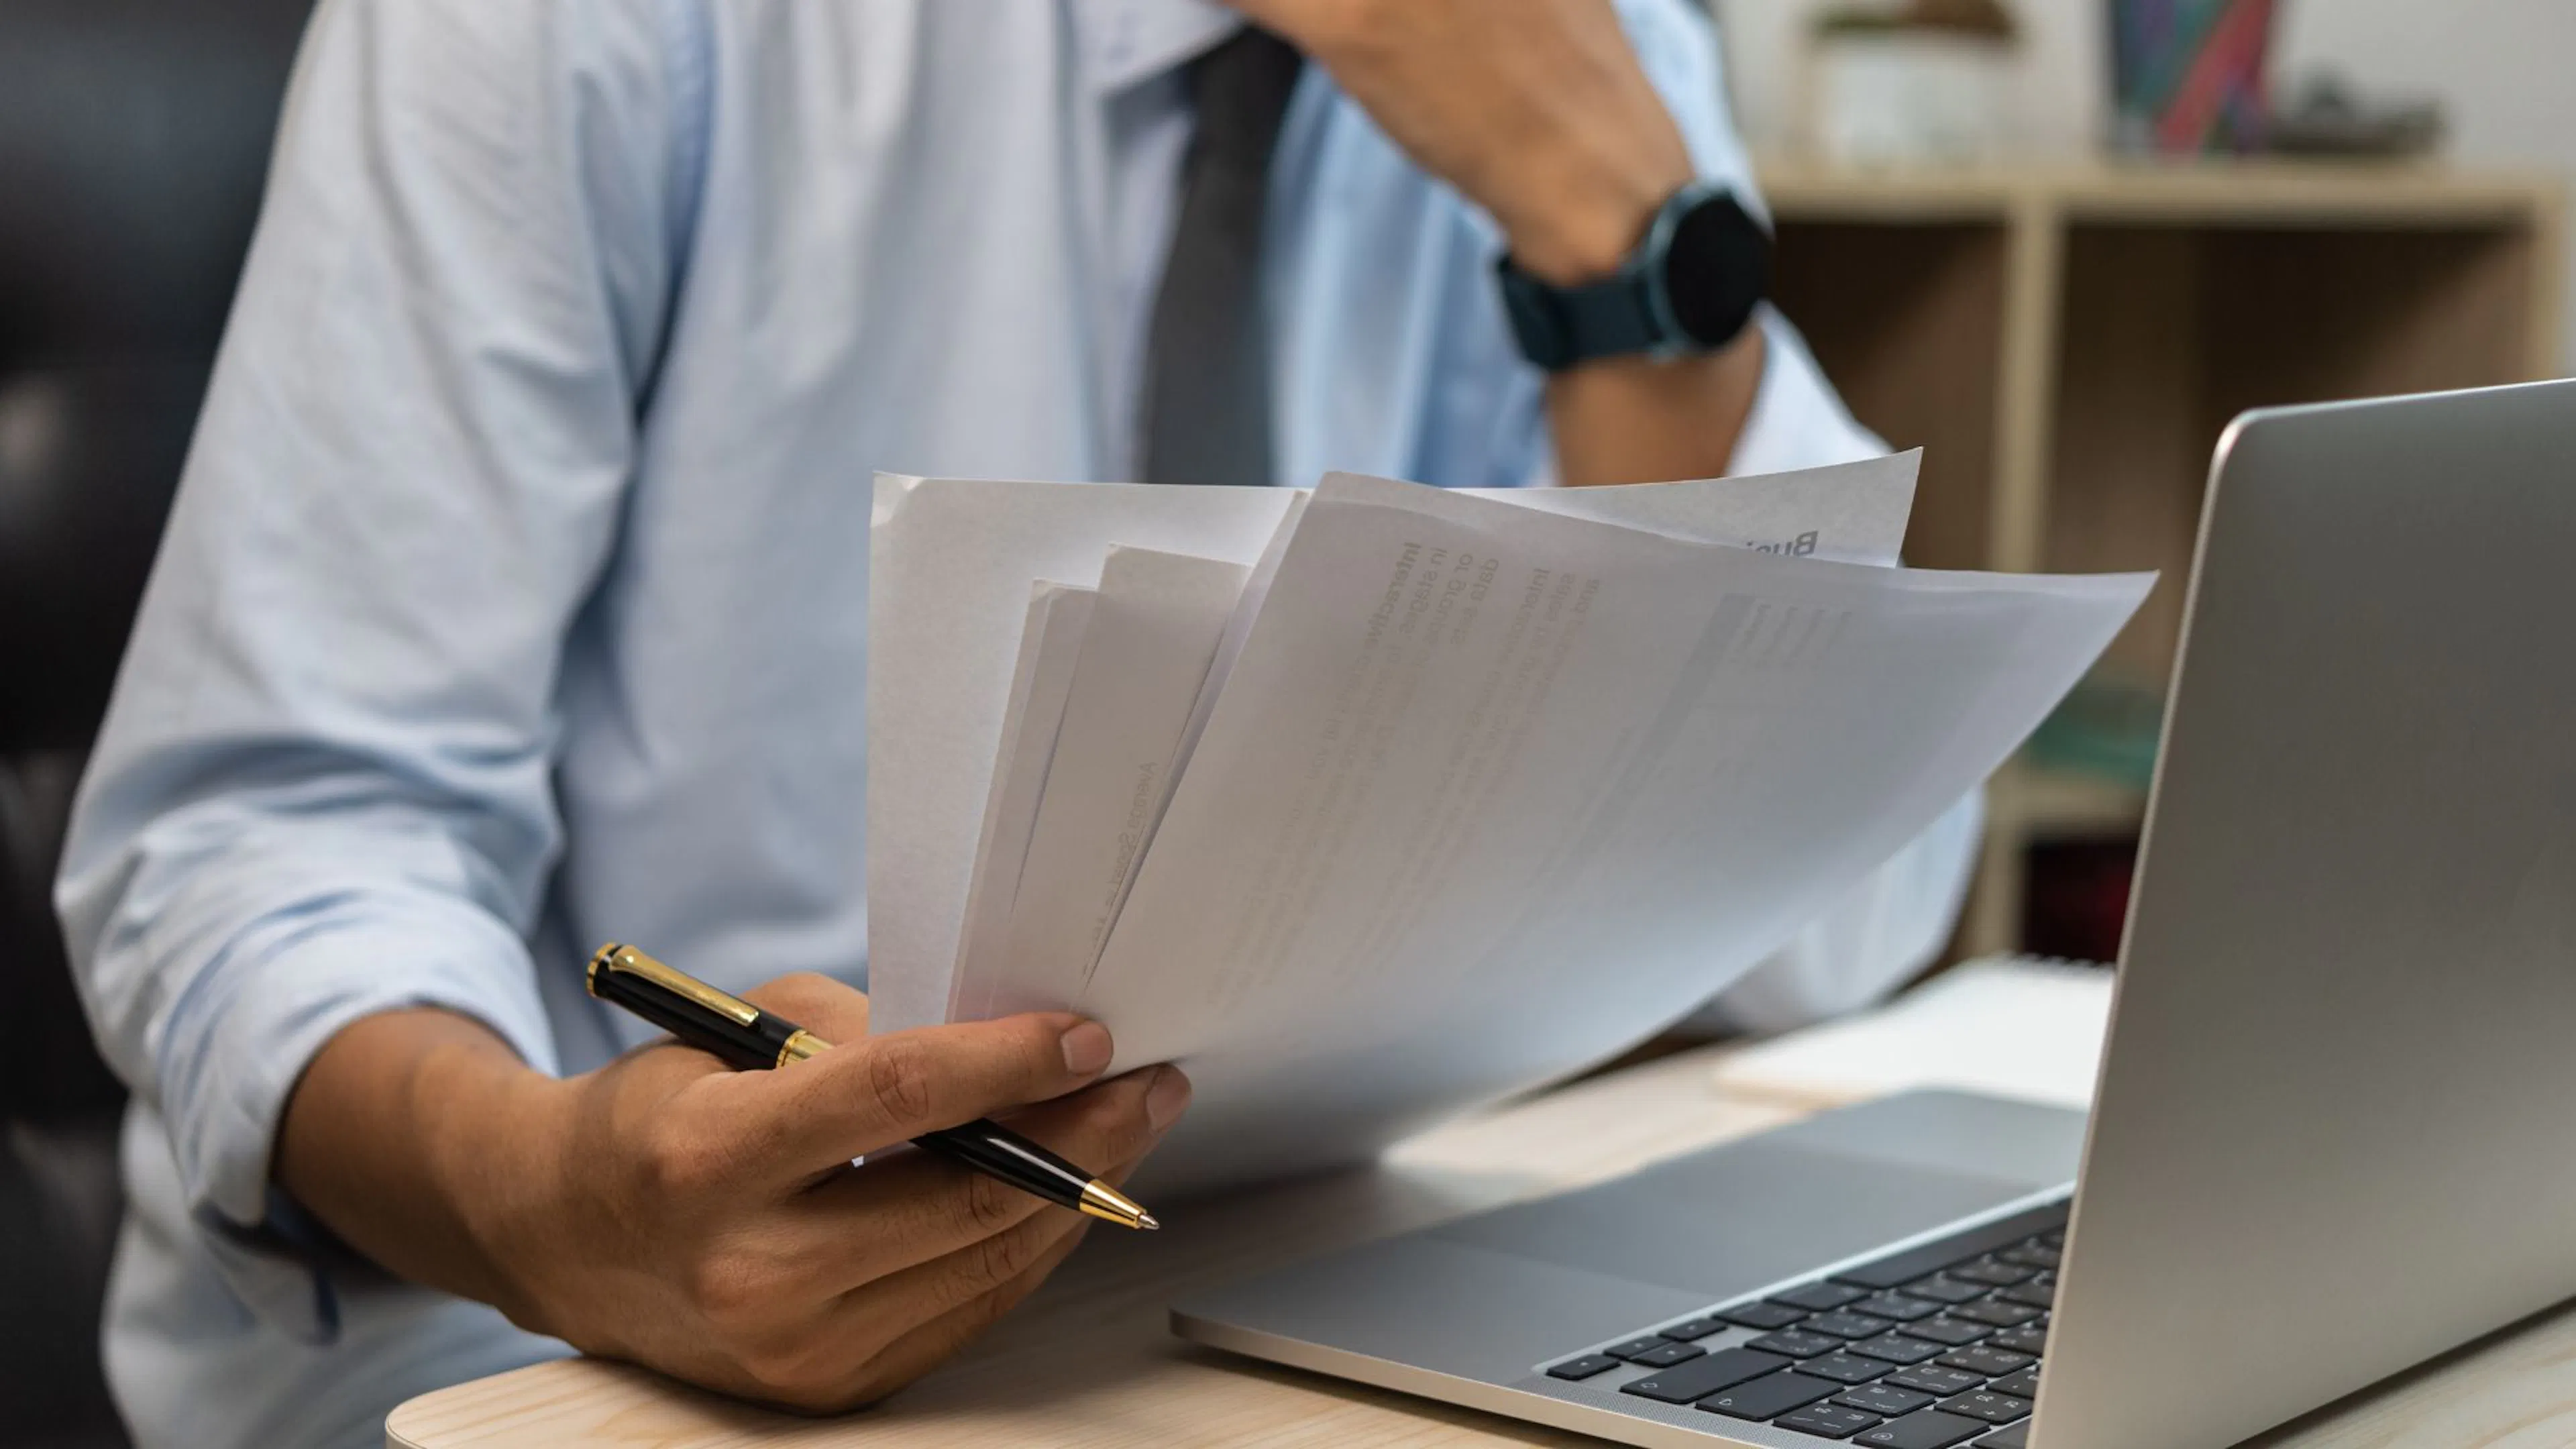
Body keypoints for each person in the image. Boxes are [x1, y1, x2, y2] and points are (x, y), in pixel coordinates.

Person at [56, 1, 1982, 1445]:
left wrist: (1632, 249)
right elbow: (272, 840)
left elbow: (1826, 932)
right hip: (556, 1348)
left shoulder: (1590, 43)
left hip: (1277, 1296)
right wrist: (558, 1210)